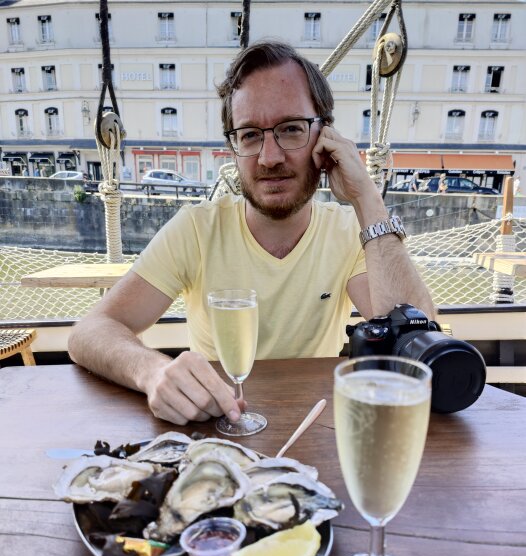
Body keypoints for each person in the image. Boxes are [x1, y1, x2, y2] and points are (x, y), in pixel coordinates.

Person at [68, 41, 434, 426]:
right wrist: (152, 371)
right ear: (233, 146)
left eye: (291, 129)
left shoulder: (350, 231)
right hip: (219, 429)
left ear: (326, 136)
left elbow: (414, 341)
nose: (269, 157)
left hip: (317, 428)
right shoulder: (196, 228)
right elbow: (89, 332)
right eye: (250, 135)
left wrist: (367, 199)